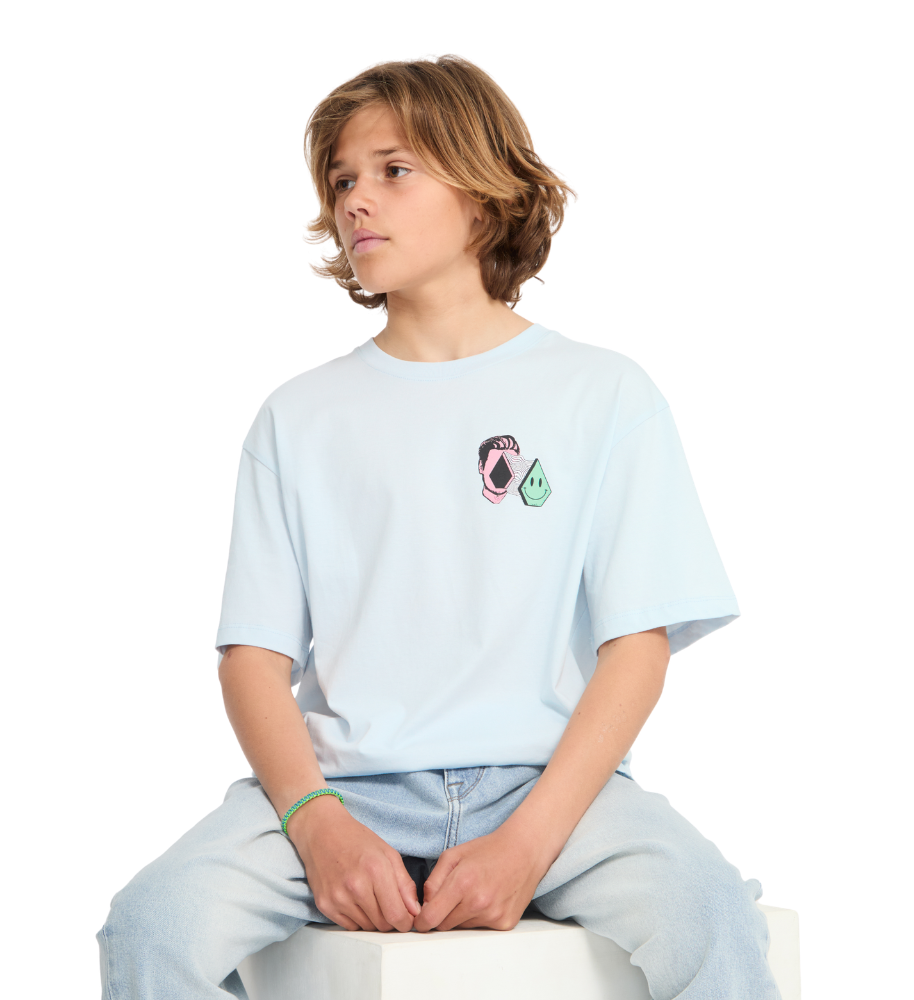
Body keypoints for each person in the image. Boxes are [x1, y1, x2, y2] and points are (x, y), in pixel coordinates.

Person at [97, 55, 781, 999]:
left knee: (712, 914)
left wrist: (528, 843)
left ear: (484, 191)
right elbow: (252, 659)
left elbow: (638, 646)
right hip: (343, 789)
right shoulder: (298, 419)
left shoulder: (603, 395)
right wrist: (317, 825)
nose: (355, 200)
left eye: (394, 170)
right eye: (342, 178)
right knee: (152, 924)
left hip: (549, 788)